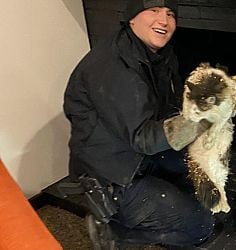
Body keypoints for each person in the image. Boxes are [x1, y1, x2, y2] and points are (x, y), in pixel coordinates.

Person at [63, 0, 215, 248]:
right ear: (132, 17)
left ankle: (155, 203)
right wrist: (201, 120)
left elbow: (168, 108)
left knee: (202, 178)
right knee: (200, 226)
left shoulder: (157, 54)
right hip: (112, 172)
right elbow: (143, 137)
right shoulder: (114, 67)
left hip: (136, 154)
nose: (163, 21)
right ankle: (113, 231)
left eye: (170, 14)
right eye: (153, 10)